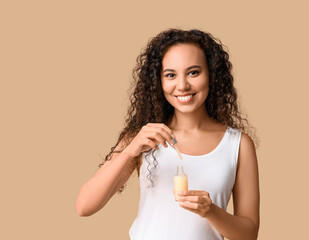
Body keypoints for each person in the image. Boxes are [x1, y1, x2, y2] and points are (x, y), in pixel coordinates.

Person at [75, 29, 260, 240]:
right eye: (170, 75)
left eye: (193, 72)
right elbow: (84, 206)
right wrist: (129, 151)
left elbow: (249, 233)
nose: (182, 86)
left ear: (211, 75)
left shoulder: (238, 144)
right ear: (159, 82)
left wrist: (211, 211)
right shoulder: (142, 138)